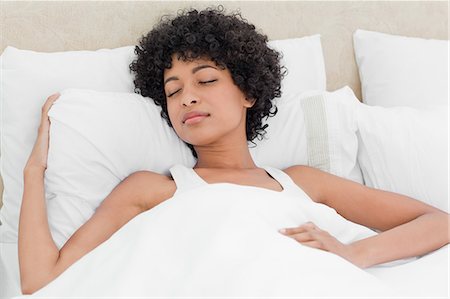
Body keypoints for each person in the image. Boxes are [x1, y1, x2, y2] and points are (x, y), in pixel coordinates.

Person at [18, 6, 449, 295]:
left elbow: (438, 222)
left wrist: (355, 252)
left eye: (205, 81)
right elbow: (43, 282)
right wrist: (34, 171)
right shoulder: (151, 189)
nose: (187, 97)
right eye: (173, 90)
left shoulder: (302, 181)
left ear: (248, 92)